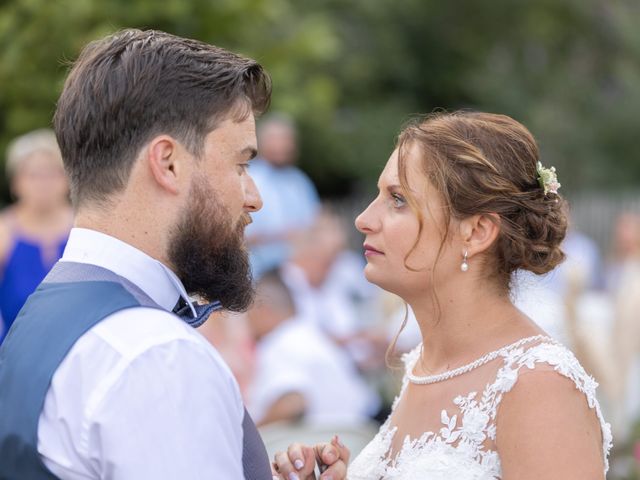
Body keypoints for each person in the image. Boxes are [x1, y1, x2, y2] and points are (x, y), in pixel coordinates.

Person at [0, 29, 347, 480]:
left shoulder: (42, 315)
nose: (254, 196)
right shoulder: (156, 355)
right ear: (167, 163)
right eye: (241, 164)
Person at [346, 111, 612, 479]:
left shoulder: (537, 383)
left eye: (398, 199)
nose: (363, 219)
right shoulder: (424, 365)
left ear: (477, 232)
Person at [246, 269, 373, 426]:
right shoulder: (309, 334)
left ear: (264, 311)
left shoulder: (280, 342)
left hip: (326, 442)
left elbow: (292, 404)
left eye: (247, 314)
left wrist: (250, 438)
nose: (246, 324)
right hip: (355, 434)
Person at [0, 129, 72, 344]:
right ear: (15, 183)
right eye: (34, 174)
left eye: (52, 173)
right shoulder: (4, 231)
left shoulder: (87, 225)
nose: (43, 183)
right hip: (16, 357)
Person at [245, 113, 320, 279]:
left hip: (299, 272)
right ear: (261, 142)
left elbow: (315, 225)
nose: (282, 145)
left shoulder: (300, 182)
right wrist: (281, 235)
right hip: (256, 273)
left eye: (286, 139)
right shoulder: (249, 178)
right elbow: (240, 235)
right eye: (275, 139)